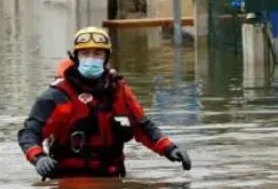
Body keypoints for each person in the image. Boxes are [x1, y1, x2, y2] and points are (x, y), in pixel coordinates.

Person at [17, 26, 192, 180]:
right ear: (75, 57)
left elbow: (142, 127)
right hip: (69, 178)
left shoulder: (117, 91)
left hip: (111, 177)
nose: (91, 59)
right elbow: (30, 133)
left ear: (106, 57)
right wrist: (39, 157)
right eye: (85, 54)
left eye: (97, 53)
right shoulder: (57, 96)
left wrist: (169, 149)